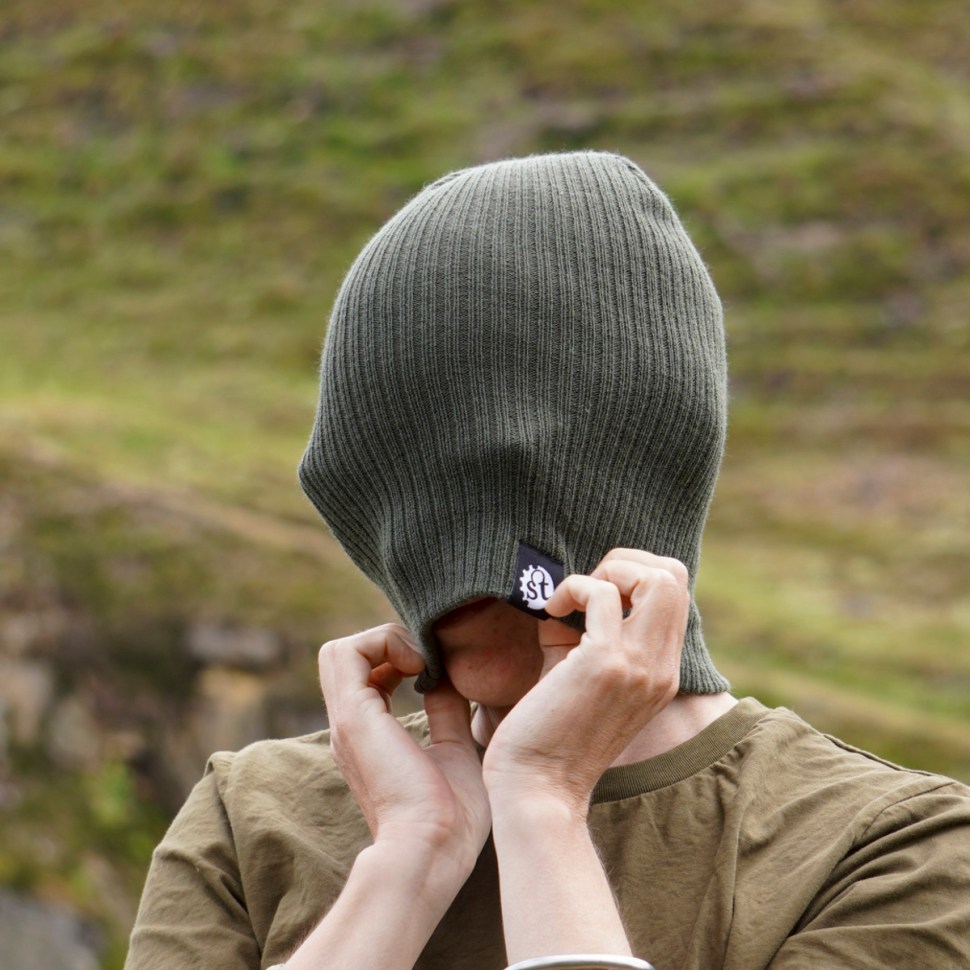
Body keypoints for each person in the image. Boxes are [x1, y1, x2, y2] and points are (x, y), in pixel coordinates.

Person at [124, 152, 970, 970]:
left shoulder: (893, 851)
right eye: (394, 479)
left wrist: (543, 801)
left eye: (495, 475)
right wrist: (409, 863)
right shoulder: (253, 819)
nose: (448, 557)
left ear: (647, 447)